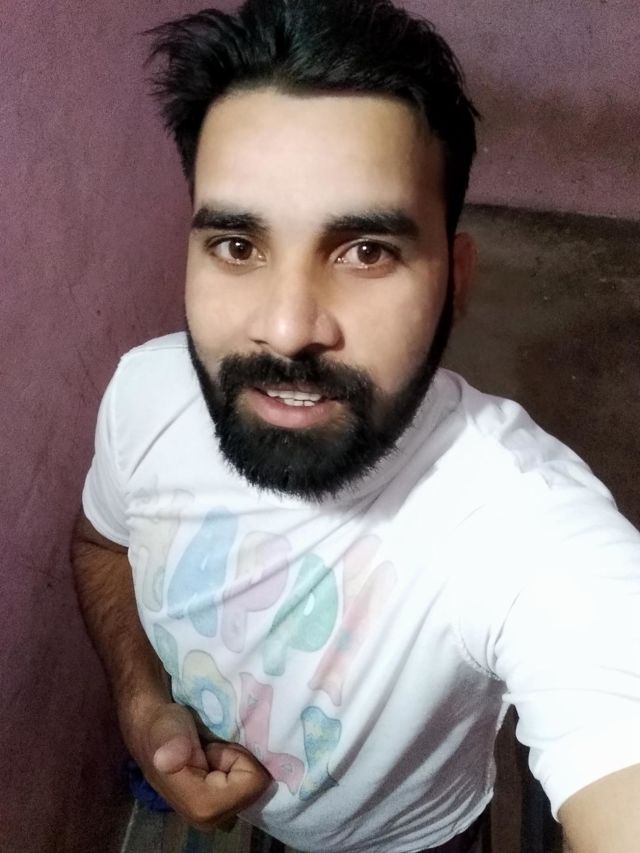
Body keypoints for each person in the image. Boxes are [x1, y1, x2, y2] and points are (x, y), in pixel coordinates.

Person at [71, 1, 640, 851]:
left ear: (455, 281)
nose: (288, 328)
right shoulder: (145, 396)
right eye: (237, 245)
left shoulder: (519, 519)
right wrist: (141, 699)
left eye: (366, 250)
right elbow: (101, 543)